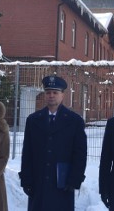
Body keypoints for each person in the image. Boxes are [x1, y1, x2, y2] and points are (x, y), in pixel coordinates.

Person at [19, 75, 87, 211]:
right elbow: (27, 152)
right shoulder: (33, 120)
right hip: (38, 180)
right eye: (48, 92)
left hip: (63, 182)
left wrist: (74, 179)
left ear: (62, 95)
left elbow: (80, 153)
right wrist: (26, 178)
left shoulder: (74, 121)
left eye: (55, 92)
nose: (51, 96)